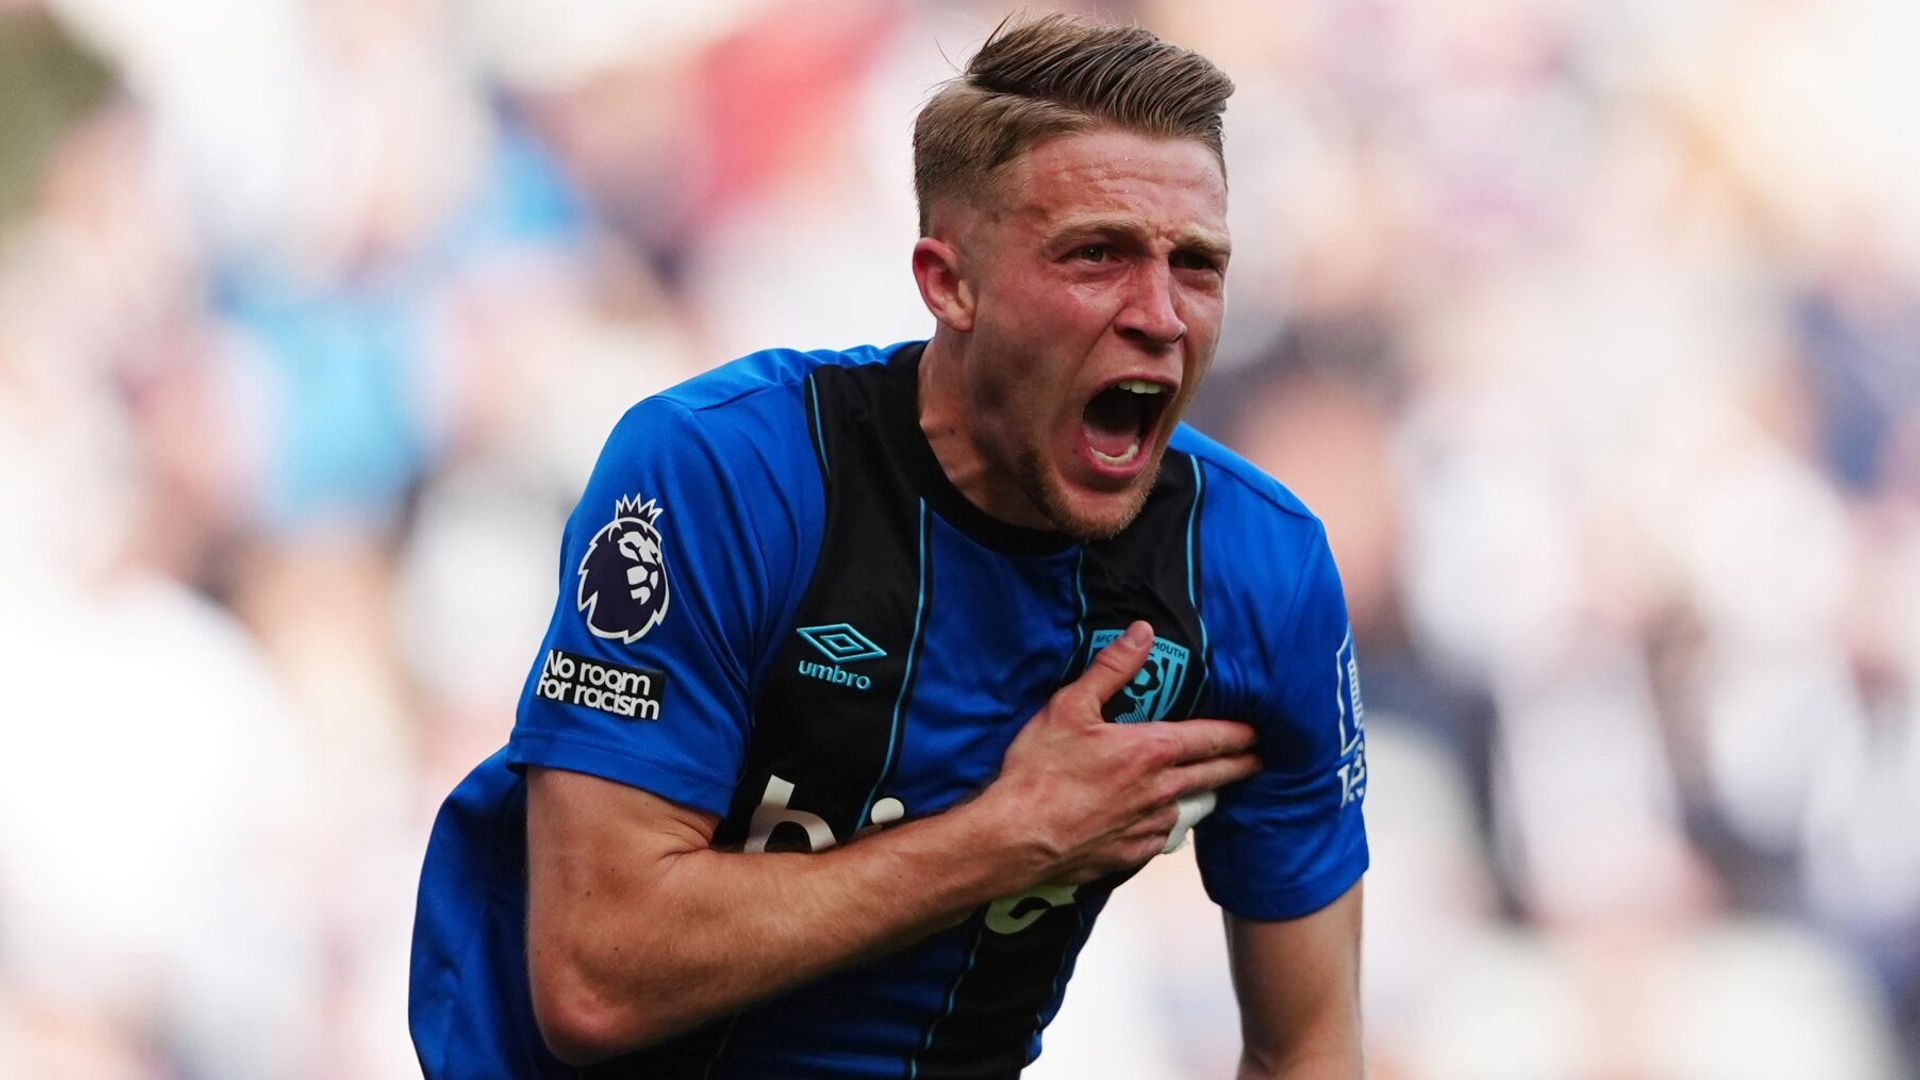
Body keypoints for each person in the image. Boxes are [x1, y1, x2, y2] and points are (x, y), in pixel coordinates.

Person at [410, 14, 1368, 1078]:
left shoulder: (1259, 571)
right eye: (1096, 255)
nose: (1162, 315)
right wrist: (1006, 836)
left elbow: (1309, 1048)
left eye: (1197, 264)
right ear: (948, 282)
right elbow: (596, 977)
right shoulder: (728, 475)